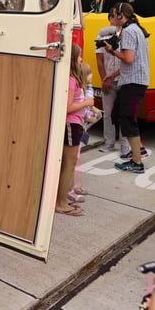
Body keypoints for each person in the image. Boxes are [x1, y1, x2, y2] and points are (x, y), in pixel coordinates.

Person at [104, 3, 150, 174]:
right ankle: (139, 149)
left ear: (121, 15)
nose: (112, 16)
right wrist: (113, 74)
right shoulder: (136, 29)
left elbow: (128, 58)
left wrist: (112, 50)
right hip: (133, 79)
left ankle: (137, 161)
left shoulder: (129, 31)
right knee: (118, 115)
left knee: (127, 120)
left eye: (114, 14)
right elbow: (134, 60)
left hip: (133, 82)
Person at [54, 44, 95, 217]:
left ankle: (63, 198)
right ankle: (61, 203)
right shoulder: (71, 81)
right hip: (71, 124)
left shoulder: (72, 79)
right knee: (68, 165)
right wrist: (86, 103)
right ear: (72, 60)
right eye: (79, 57)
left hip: (74, 125)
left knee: (68, 165)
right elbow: (68, 107)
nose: (81, 60)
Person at [95, 23, 130, 155]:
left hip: (124, 80)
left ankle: (125, 147)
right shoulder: (102, 35)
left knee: (124, 114)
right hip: (109, 81)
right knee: (108, 113)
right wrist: (104, 79)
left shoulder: (128, 36)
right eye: (113, 17)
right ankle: (108, 143)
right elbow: (99, 60)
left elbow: (128, 59)